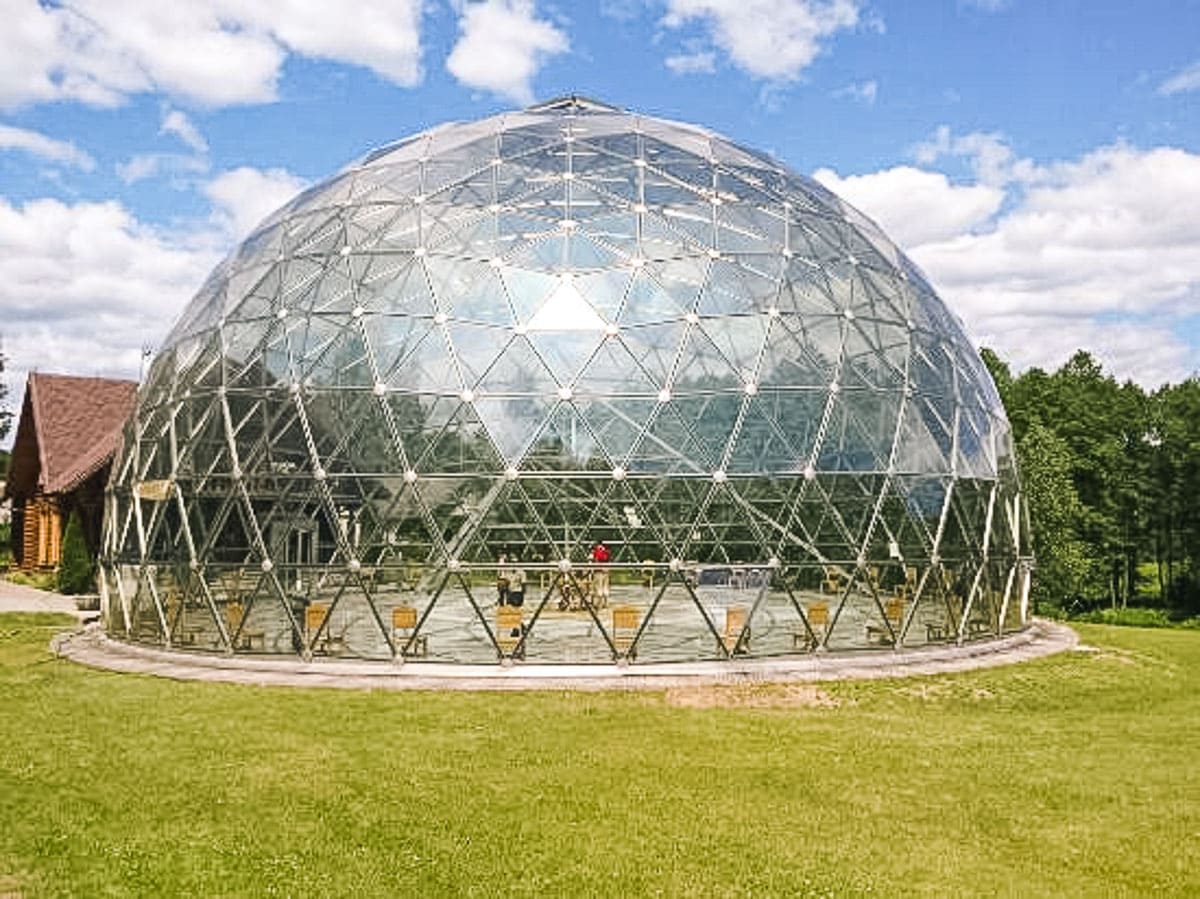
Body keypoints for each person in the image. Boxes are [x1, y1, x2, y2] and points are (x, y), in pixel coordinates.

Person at [590, 540, 610, 609]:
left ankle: (599, 604)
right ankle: (606, 603)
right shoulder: (606, 551)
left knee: (598, 587)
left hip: (598, 570)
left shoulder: (595, 551)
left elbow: (592, 560)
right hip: (606, 570)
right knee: (605, 587)